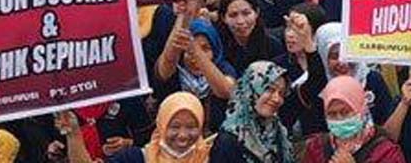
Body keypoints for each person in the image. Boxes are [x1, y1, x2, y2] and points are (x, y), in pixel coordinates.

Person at [61, 91, 214, 163]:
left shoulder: (213, 157)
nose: (182, 135)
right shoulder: (135, 158)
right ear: (161, 125)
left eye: (191, 127)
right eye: (174, 127)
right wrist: (73, 133)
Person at [302, 76, 406, 163]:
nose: (339, 119)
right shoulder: (316, 147)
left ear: (361, 109)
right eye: (332, 114)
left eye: (345, 112)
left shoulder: (386, 152)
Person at [215, 61, 293, 163]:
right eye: (269, 89)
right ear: (251, 88)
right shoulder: (229, 140)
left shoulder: (278, 131)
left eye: (281, 93)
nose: (276, 99)